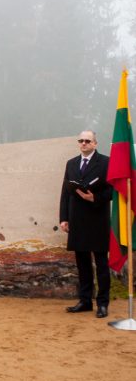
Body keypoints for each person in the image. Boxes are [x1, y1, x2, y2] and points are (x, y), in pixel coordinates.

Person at [59, 130, 111, 318]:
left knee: (101, 264)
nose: (83, 143)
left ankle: (103, 303)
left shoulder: (106, 162)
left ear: (95, 143)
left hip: (97, 219)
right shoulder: (71, 163)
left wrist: (94, 197)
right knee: (82, 264)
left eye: (87, 141)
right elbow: (65, 193)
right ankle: (85, 301)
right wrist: (64, 218)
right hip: (77, 220)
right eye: (81, 140)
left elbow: (113, 190)